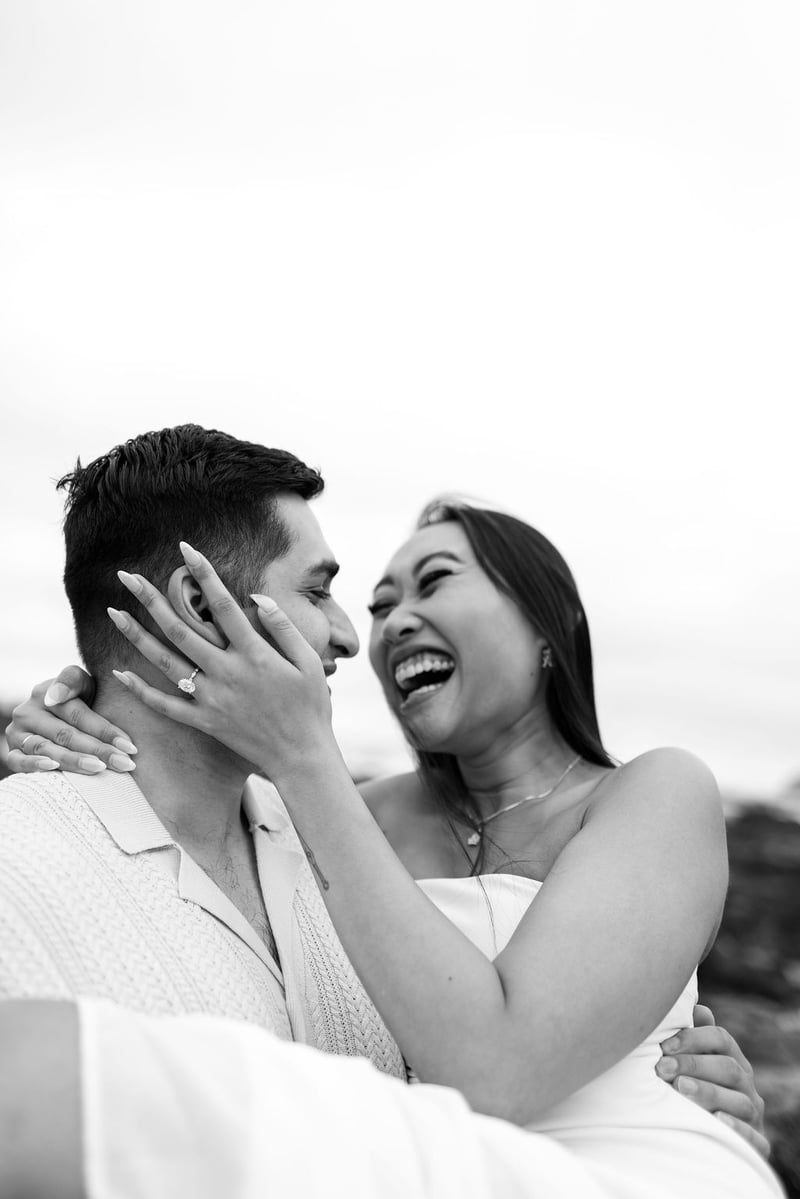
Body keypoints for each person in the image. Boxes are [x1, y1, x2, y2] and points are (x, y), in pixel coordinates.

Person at [2, 430, 773, 1177]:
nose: (374, 628)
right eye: (366, 601)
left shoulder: (655, 790)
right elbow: (175, 783)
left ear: (550, 623)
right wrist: (71, 712)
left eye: (434, 582)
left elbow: (502, 1063)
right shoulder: (330, 818)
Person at [0, 425, 405, 1076]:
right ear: (201, 604)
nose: (349, 636)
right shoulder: (17, 876)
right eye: (316, 591)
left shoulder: (343, 841)